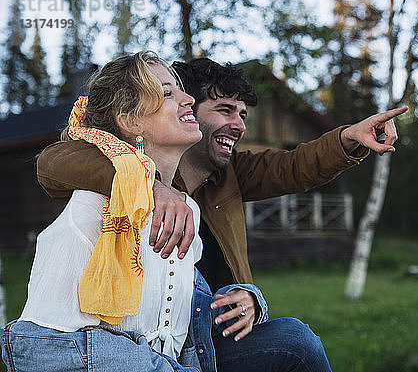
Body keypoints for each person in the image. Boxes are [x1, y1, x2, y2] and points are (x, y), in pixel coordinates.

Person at [35, 58, 407, 371]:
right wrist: (149, 186)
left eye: (242, 114)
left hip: (207, 330)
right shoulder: (122, 175)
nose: (240, 125)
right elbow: (56, 159)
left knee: (296, 341)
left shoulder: (230, 175)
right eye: (225, 110)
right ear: (189, 111)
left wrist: (349, 138)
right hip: (136, 346)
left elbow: (296, 166)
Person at [1, 51, 269, 372]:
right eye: (167, 93)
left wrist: (249, 297)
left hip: (163, 360)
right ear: (131, 122)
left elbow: (185, 305)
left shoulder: (188, 210)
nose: (187, 100)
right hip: (80, 358)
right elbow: (46, 349)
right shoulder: (95, 204)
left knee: (294, 337)